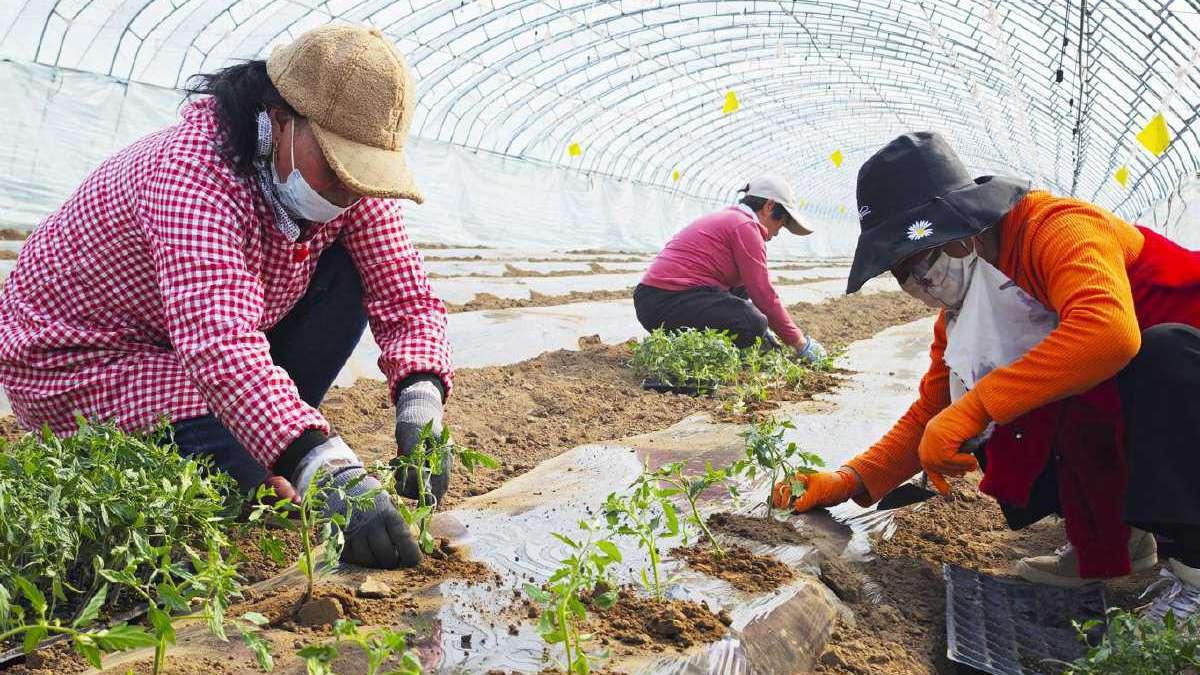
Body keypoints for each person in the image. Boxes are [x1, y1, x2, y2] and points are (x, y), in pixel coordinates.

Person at [0, 25, 453, 569]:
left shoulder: (350, 186)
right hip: (82, 358)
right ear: (281, 116)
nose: (348, 188)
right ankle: (272, 446)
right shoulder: (192, 173)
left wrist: (420, 404)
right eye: (335, 165)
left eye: (363, 172)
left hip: (187, 343)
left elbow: (403, 292)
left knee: (348, 275)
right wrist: (324, 466)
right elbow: (220, 345)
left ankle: (275, 437)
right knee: (243, 485)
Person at [773, 131, 1200, 621]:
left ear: (955, 232)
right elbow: (932, 415)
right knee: (1023, 419)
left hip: (1188, 380)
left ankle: (1195, 571)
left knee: (1160, 355)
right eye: (897, 271)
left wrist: (976, 407)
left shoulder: (1056, 228)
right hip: (1158, 413)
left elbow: (1109, 334)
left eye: (912, 260)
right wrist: (849, 480)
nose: (912, 282)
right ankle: (1119, 539)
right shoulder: (962, 313)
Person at [633, 175, 827, 362]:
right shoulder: (745, 227)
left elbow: (751, 289)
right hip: (665, 301)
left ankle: (741, 342)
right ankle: (702, 352)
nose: (777, 232)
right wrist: (800, 343)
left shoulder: (732, 218)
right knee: (752, 323)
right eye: (781, 222)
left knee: (743, 288)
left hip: (655, 300)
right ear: (769, 206)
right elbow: (763, 295)